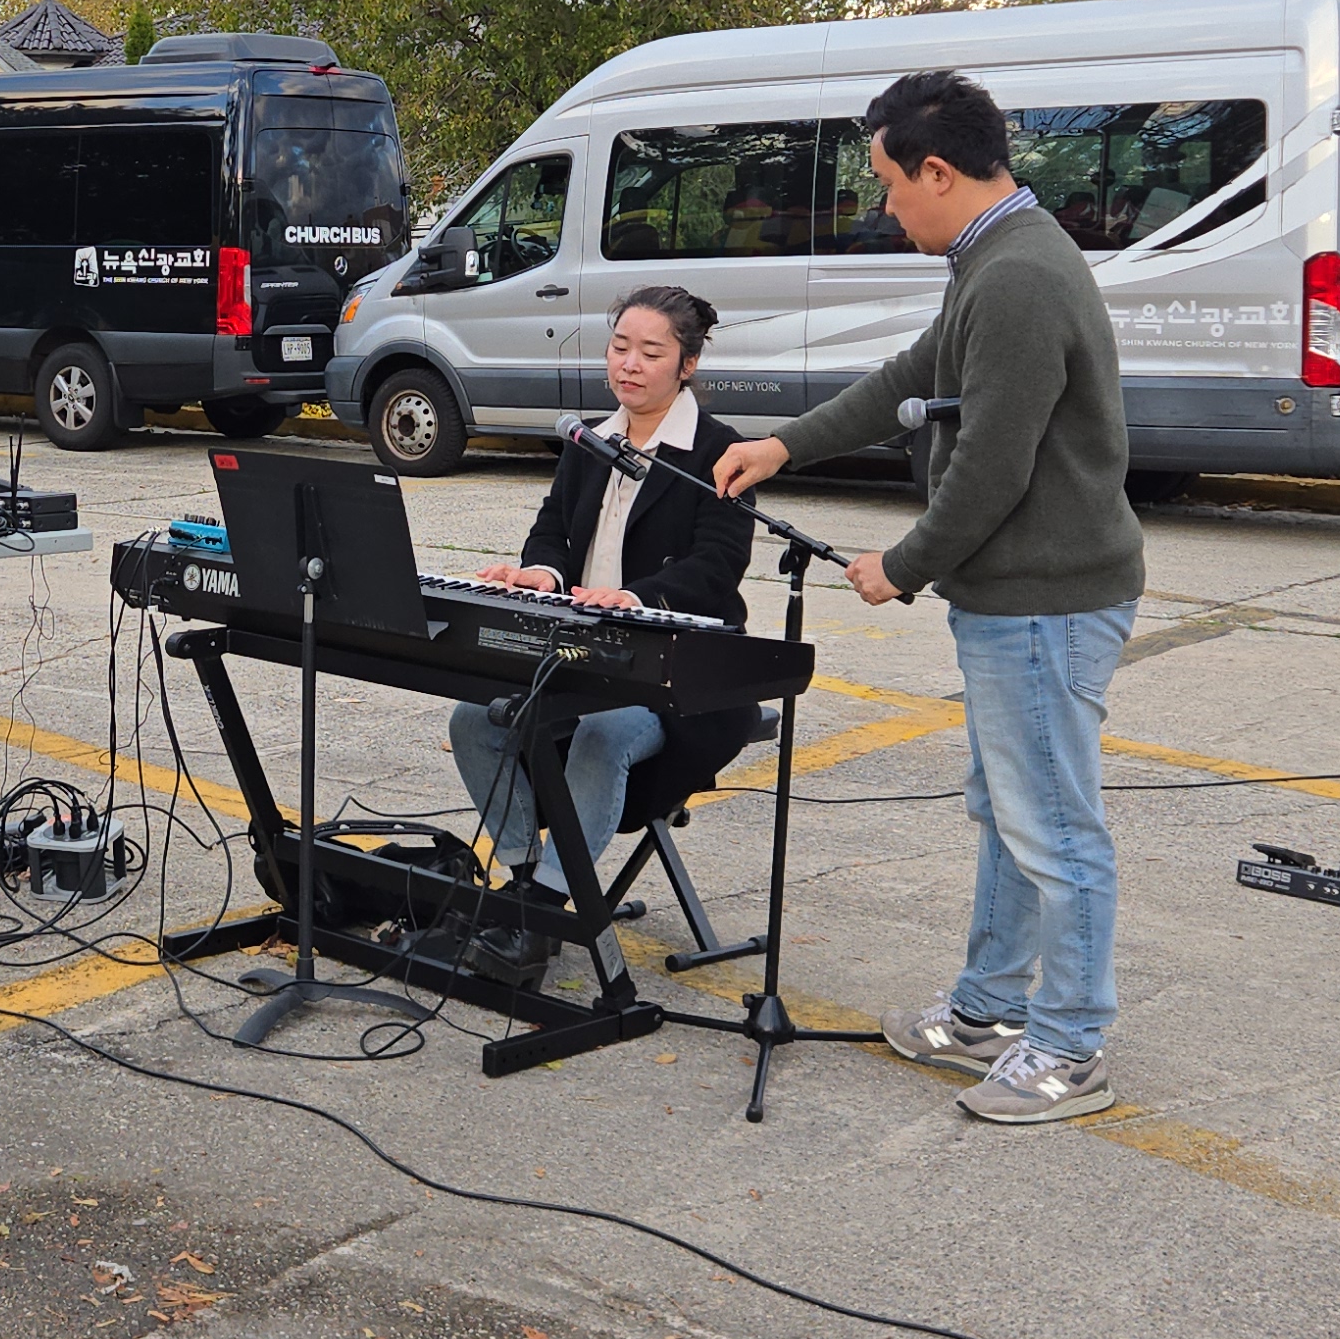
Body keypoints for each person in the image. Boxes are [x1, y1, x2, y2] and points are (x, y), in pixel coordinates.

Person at [711, 69, 1146, 1126]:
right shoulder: (992, 258)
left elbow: (992, 465)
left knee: (1053, 825)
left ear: (938, 171)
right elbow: (911, 376)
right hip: (1018, 596)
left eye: (890, 184)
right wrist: (784, 444)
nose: (886, 204)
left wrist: (901, 565)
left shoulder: (1018, 276)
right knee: (1010, 810)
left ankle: (1070, 1046)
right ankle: (991, 1010)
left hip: (1044, 600)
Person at [441, 285, 755, 986]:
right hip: (582, 654)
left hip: (679, 671)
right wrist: (542, 574)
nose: (629, 365)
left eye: (651, 353)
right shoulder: (590, 439)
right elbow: (553, 528)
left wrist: (635, 597)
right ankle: (527, 884)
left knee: (604, 734)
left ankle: (546, 909)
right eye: (620, 348)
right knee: (475, 720)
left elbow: (718, 565)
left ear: (688, 365)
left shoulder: (719, 451)